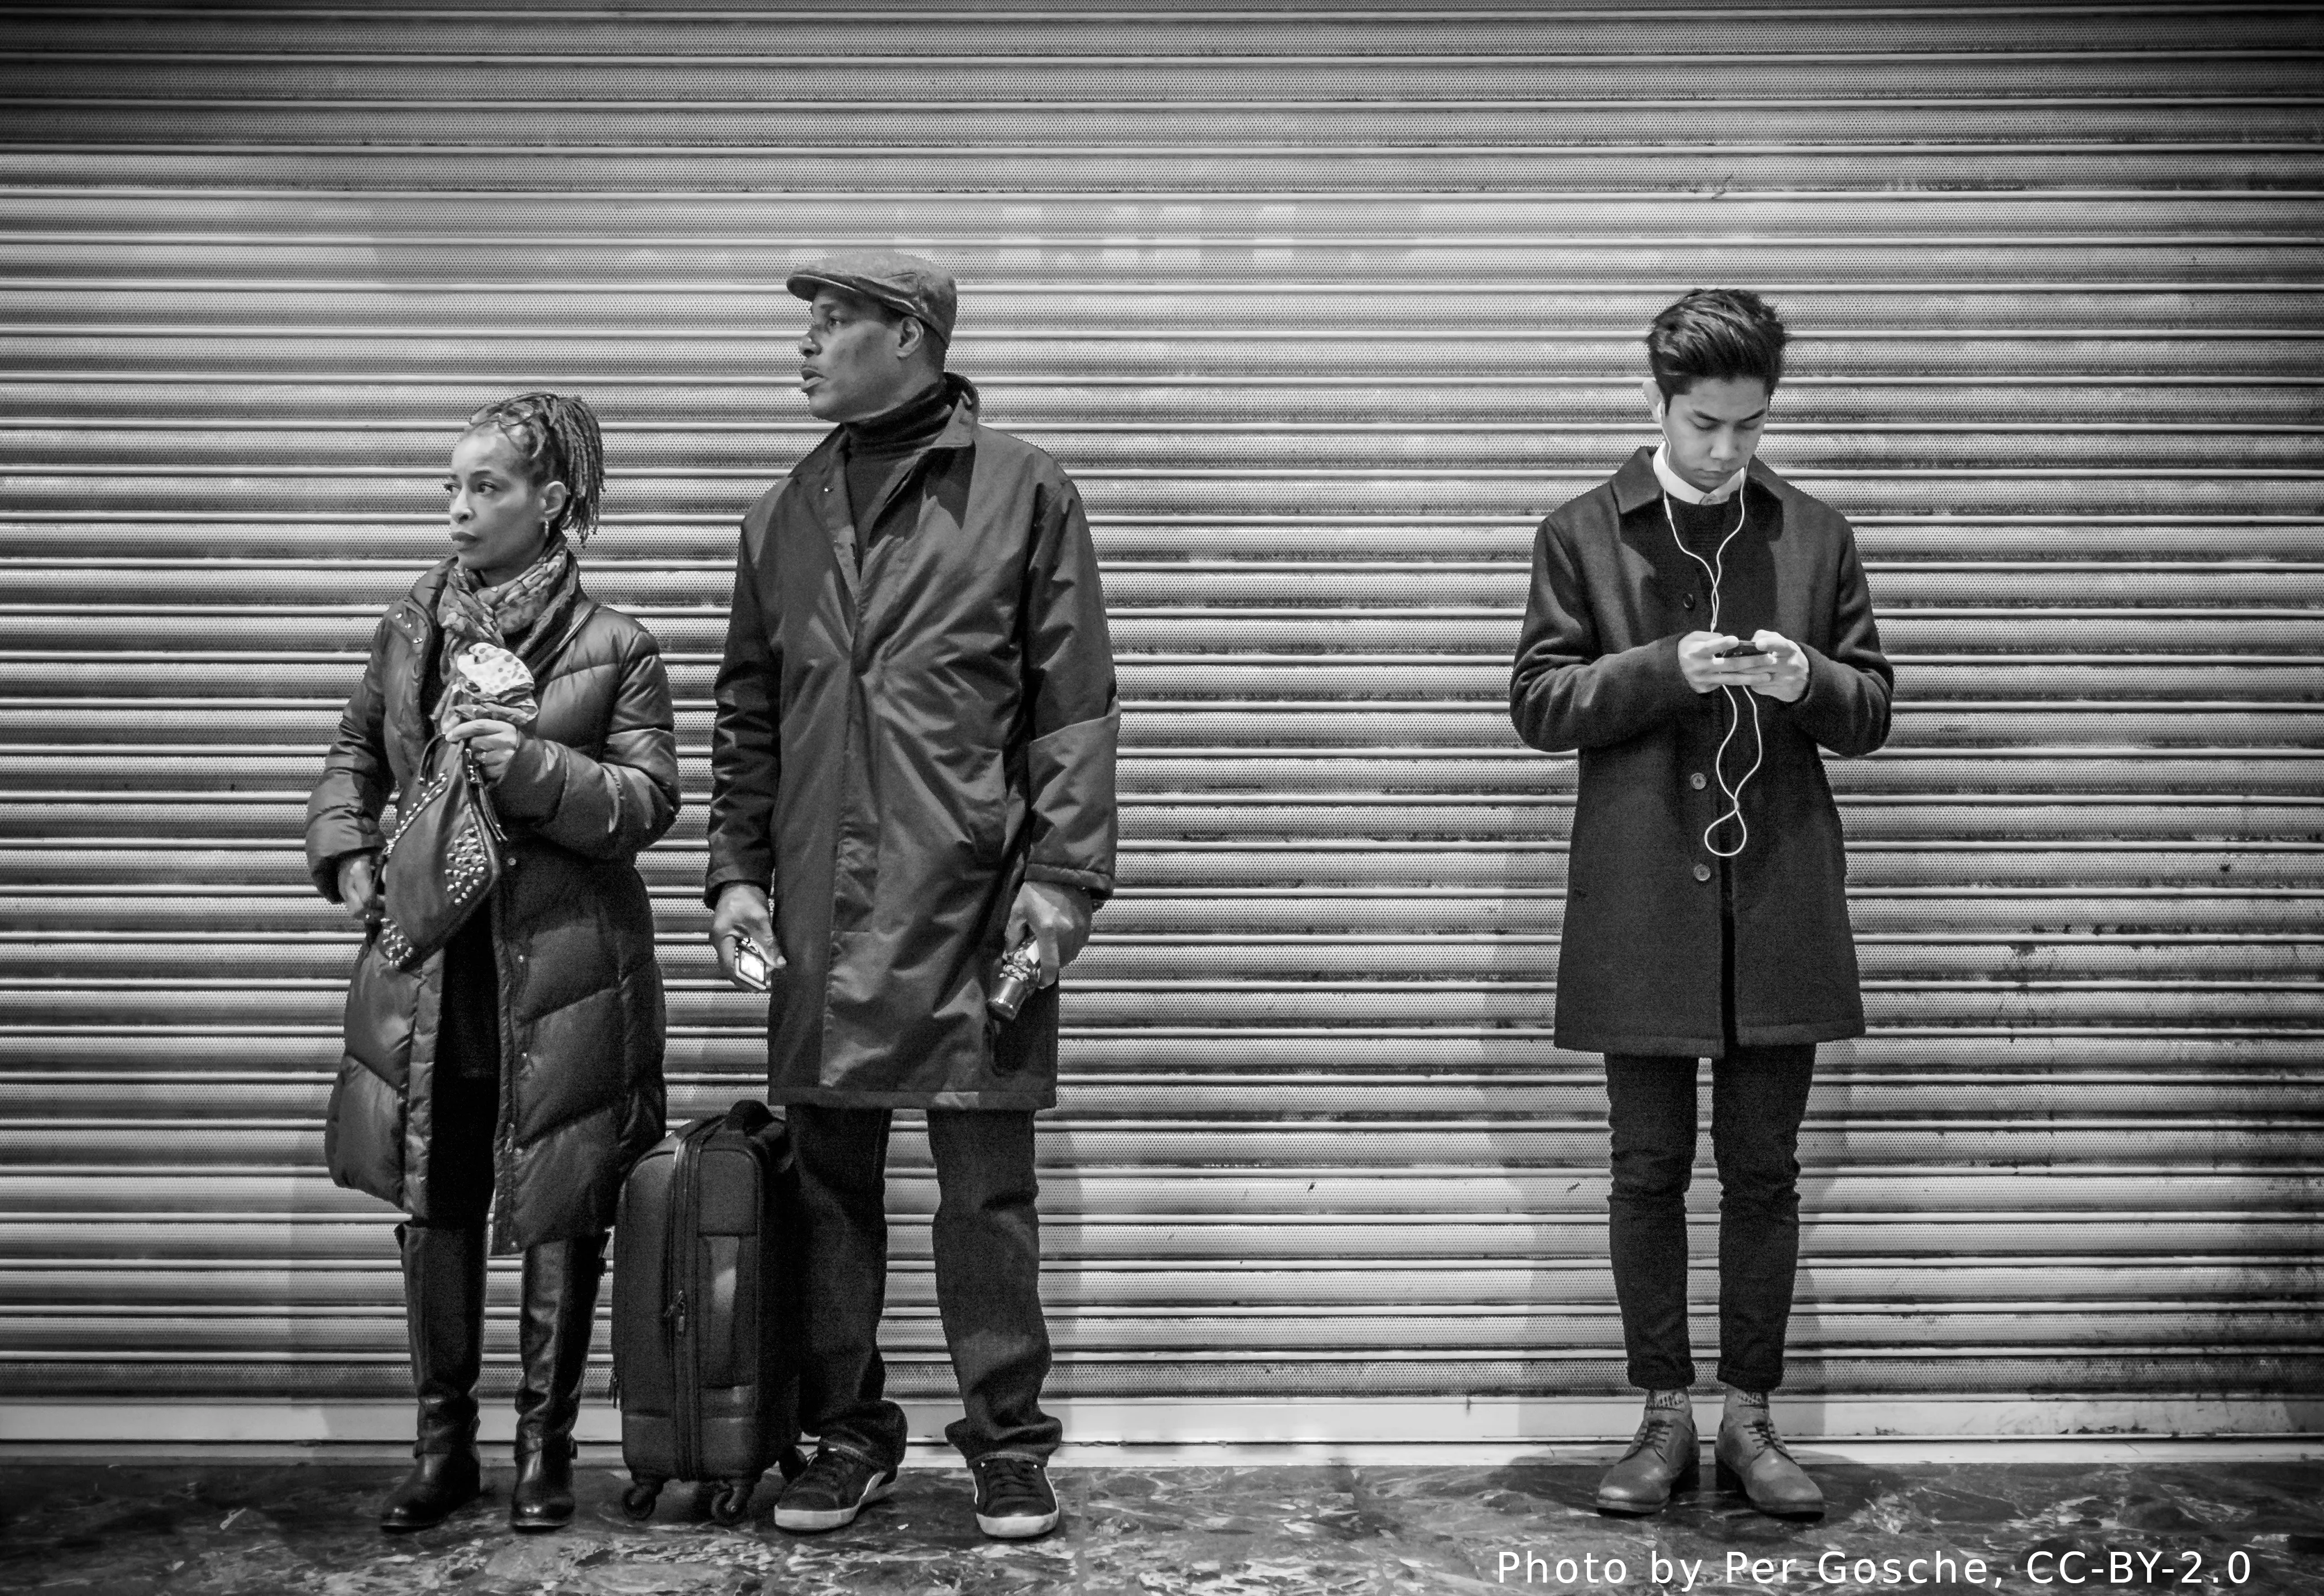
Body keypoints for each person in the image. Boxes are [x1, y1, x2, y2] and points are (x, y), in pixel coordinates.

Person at [705, 252, 1118, 1541]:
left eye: (833, 324)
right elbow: (747, 716)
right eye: (809, 326)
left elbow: (1074, 712)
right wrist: (732, 876)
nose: (807, 346)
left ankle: (1004, 1441)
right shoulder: (782, 512)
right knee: (828, 1193)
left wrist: (1057, 885)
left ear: (911, 334)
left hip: (972, 909)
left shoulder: (1022, 489)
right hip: (823, 913)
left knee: (986, 1197)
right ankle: (844, 1433)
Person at [1508, 290, 1892, 1519]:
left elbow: (1873, 706)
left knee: (1766, 1173)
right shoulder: (1581, 534)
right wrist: (1658, 669)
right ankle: (1661, 1418)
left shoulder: (1813, 535)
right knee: (1644, 1168)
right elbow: (1535, 702)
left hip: (1775, 893)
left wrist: (1808, 677)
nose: (1727, 450)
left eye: (1748, 424)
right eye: (1704, 423)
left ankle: (1753, 1421)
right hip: (1639, 900)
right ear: (1655, 402)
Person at [305, 393, 680, 1533]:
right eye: (450, 487)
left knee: (564, 1210)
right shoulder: (410, 627)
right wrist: (339, 849)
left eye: (486, 487)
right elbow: (355, 750)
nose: (458, 509)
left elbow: (647, 803)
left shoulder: (615, 645)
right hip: (431, 970)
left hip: (562, 973)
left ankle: (542, 1455)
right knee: (436, 1200)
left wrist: (528, 770)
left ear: (551, 501)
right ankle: (443, 1448)